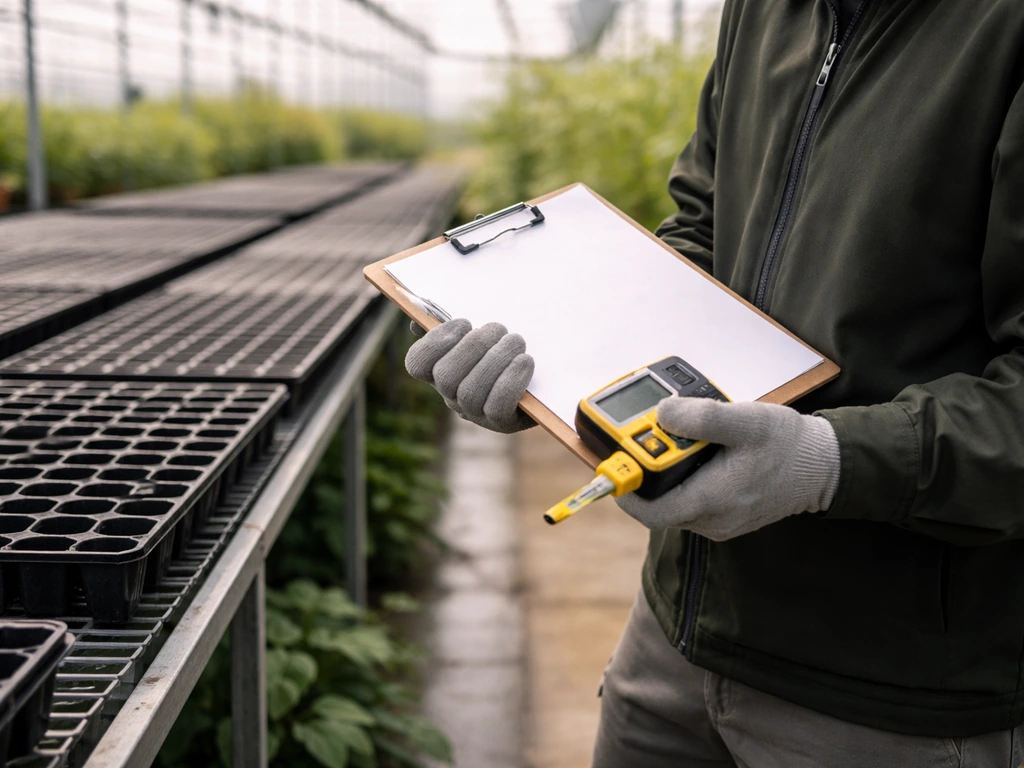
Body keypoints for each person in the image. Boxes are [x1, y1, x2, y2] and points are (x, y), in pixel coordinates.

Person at [406, 0, 1024, 764]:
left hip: (887, 689)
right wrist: (560, 367)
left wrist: (827, 463)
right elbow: (703, 228)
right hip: (675, 634)